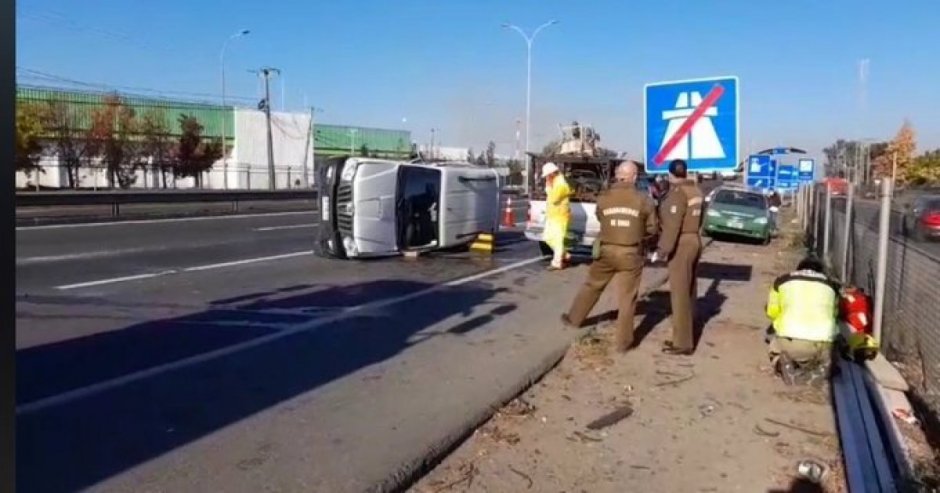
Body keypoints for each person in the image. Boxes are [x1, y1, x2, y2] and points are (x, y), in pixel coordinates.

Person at [561, 161, 658, 351]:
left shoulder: (604, 197)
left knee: (592, 285)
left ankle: (574, 318)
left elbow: (600, 216)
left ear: (617, 175)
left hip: (606, 249)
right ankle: (624, 342)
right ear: (635, 177)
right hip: (631, 253)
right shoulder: (643, 199)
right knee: (627, 298)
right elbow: (652, 228)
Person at [651, 159, 704, 355]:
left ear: (670, 174)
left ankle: (682, 343)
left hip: (681, 243)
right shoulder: (697, 191)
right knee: (690, 291)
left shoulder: (677, 193)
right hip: (694, 240)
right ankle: (689, 332)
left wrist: (662, 250)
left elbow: (672, 225)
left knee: (680, 294)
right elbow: (701, 218)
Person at [765, 256, 840, 383]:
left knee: (774, 344)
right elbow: (835, 314)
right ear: (821, 272)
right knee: (832, 351)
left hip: (790, 341)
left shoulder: (781, 281)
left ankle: (781, 364)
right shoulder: (832, 286)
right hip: (822, 344)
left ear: (799, 269)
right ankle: (822, 367)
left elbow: (772, 313)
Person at [542, 162, 572, 270]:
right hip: (553, 215)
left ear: (551, 174)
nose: (546, 178)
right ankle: (564, 255)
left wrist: (548, 187)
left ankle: (557, 262)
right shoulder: (555, 182)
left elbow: (554, 199)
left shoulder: (560, 184)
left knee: (557, 240)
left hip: (560, 216)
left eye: (547, 176)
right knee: (547, 238)